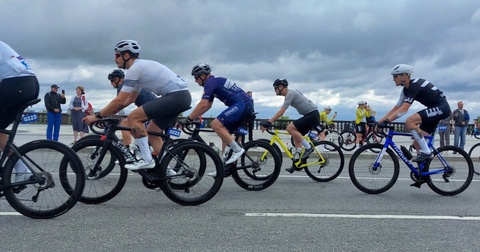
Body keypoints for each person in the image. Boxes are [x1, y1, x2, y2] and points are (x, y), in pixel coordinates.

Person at [84, 40, 191, 174]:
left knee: (134, 117)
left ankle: (147, 160)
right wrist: (105, 114)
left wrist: (96, 116)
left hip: (176, 96)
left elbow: (119, 100)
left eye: (117, 55)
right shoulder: (138, 72)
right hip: (180, 97)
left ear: (126, 55)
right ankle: (167, 172)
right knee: (152, 133)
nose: (114, 59)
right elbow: (127, 101)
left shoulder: (135, 69)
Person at [377, 64, 450, 187]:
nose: (393, 79)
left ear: (404, 76)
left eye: (395, 76)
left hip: (442, 108)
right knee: (417, 143)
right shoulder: (405, 90)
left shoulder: (414, 86)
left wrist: (387, 121)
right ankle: (422, 175)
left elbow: (403, 110)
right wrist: (380, 122)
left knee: (410, 121)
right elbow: (395, 109)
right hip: (433, 109)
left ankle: (426, 151)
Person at [178, 63, 254, 168]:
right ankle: (224, 166)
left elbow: (203, 104)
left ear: (203, 76)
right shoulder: (213, 82)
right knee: (224, 133)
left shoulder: (210, 82)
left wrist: (188, 118)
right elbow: (207, 105)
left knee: (215, 125)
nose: (195, 80)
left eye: (196, 77)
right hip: (243, 104)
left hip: (243, 104)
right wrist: (192, 118)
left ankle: (237, 150)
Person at [260, 78, 320, 174]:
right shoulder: (290, 94)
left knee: (290, 128)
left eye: (275, 88)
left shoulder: (290, 94)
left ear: (280, 87)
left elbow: (281, 111)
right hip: (310, 114)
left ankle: (309, 148)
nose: (274, 90)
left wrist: (269, 122)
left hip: (312, 114)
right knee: (296, 136)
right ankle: (298, 163)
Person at [0, 41, 39, 182]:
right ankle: (20, 166)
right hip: (28, 83)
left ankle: (21, 167)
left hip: (16, 84)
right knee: (0, 130)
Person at [108, 69, 157, 154]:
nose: (111, 84)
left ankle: (127, 153)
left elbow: (117, 104)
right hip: (152, 105)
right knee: (135, 127)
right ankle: (142, 147)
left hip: (149, 106)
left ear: (116, 79)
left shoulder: (122, 86)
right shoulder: (127, 84)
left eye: (111, 81)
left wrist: (104, 114)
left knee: (124, 124)